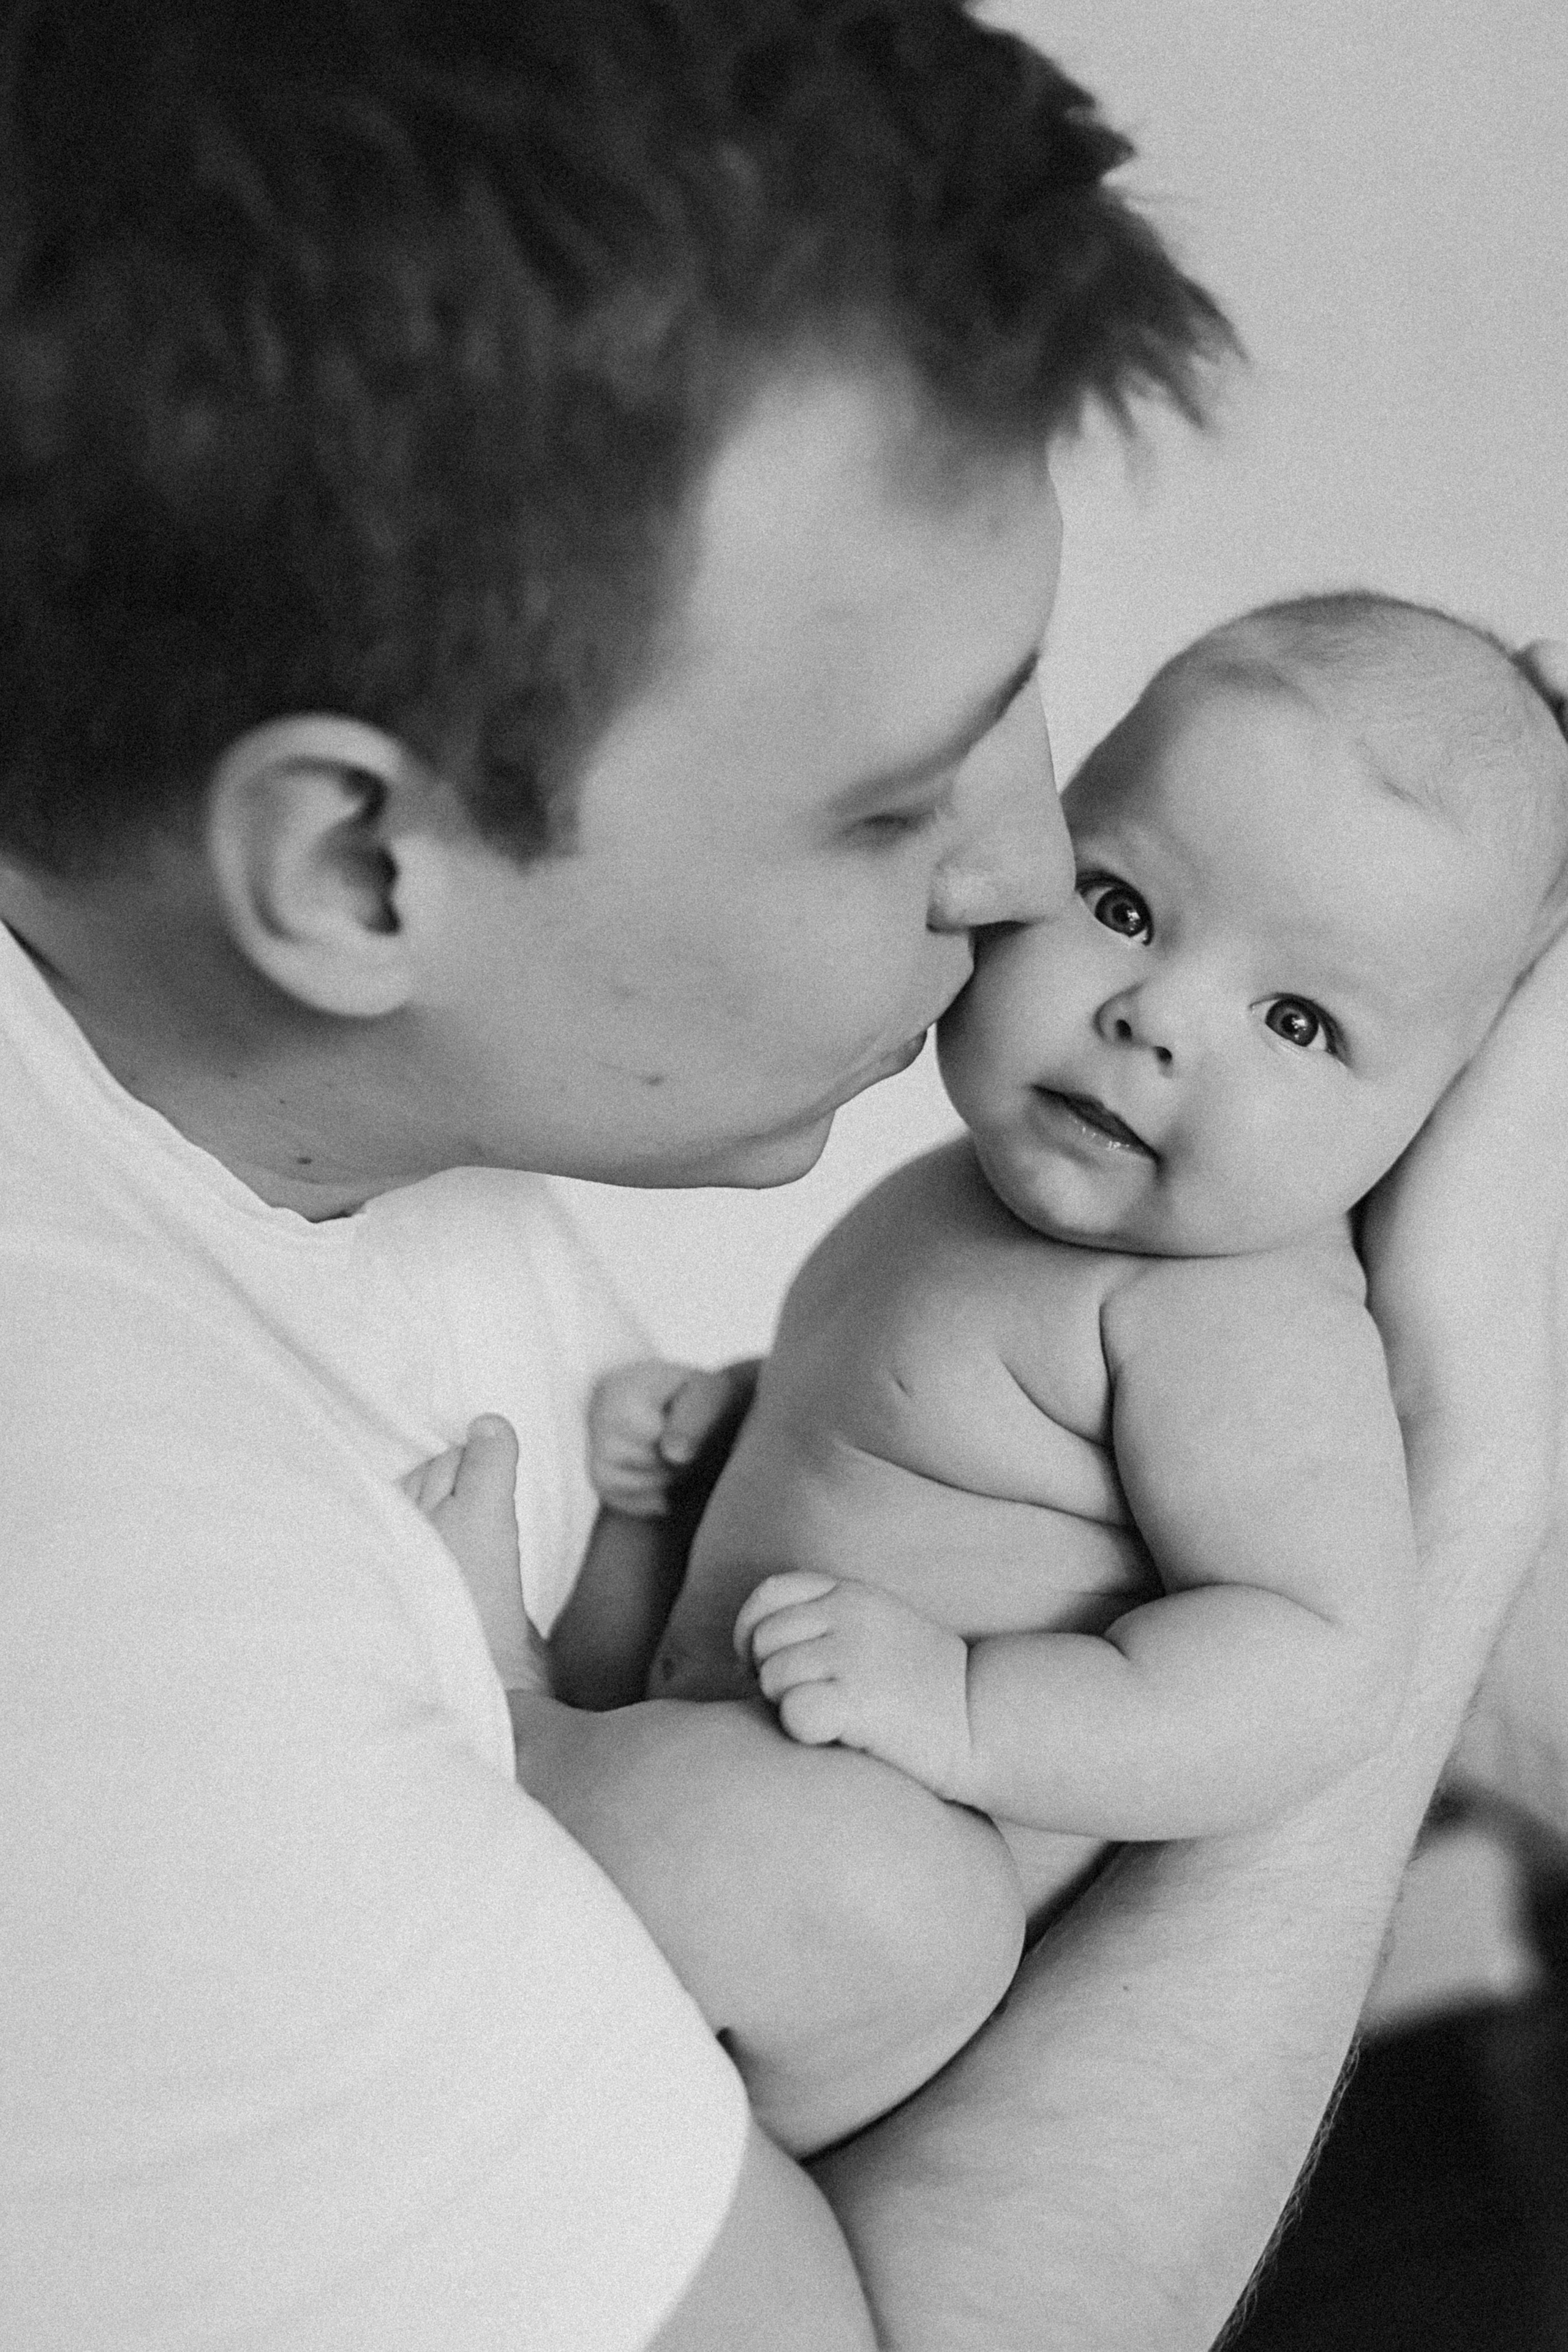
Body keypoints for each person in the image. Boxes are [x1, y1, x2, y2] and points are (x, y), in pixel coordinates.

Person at [1, 4, 1564, 2348]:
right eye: (894, 802)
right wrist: (1478, 1448)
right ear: (350, 863)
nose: (1029, 881)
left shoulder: (365, 1135)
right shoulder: (124, 1654)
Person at [575, 598, 1568, 2082]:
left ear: (1430, 1114)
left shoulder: (1235, 1320)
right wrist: (734, 1419)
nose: (1155, 1016)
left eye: (1294, 1021)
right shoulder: (976, 1207)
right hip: (732, 1770)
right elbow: (941, 1466)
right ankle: (550, 1747)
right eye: (1119, 907)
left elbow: (1312, 1660)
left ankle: (527, 1751)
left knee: (842, 1881)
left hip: (887, 1918)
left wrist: (970, 1713)